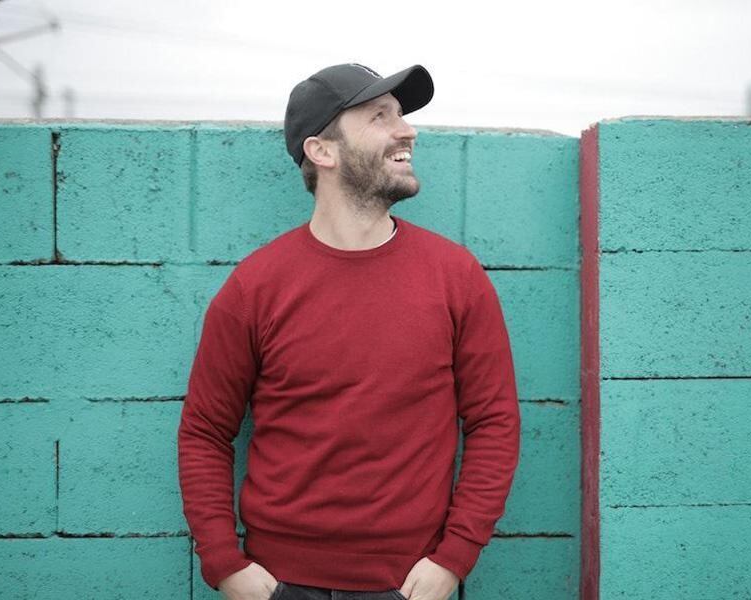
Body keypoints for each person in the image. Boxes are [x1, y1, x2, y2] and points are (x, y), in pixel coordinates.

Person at [177, 63, 521, 600]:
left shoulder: (456, 276)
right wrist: (224, 564)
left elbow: (494, 422)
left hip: (409, 582)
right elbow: (205, 430)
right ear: (322, 151)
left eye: (401, 115)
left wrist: (454, 558)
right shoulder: (256, 286)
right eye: (380, 117)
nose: (407, 131)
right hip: (279, 581)